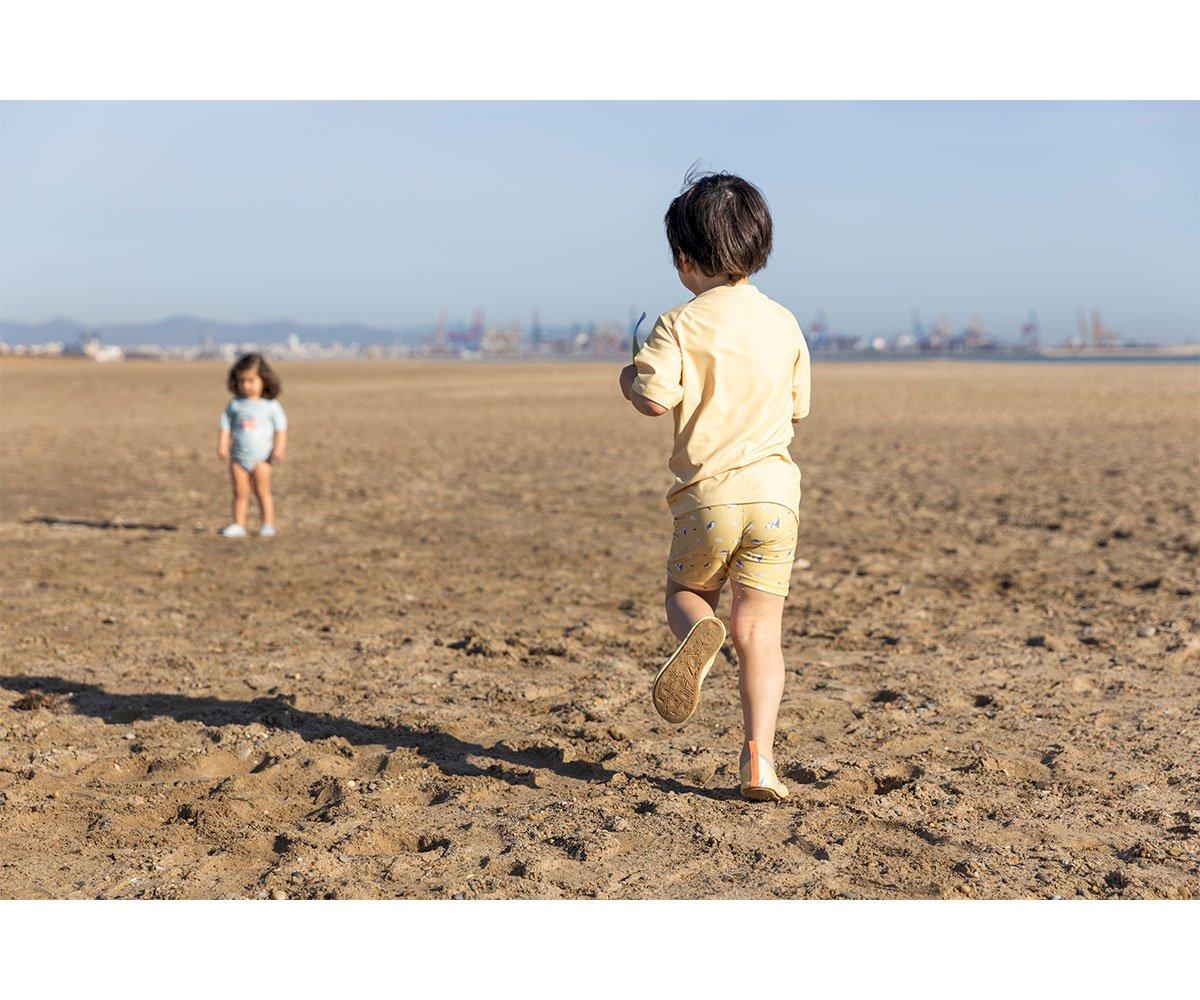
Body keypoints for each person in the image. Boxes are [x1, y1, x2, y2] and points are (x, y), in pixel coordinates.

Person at [618, 170, 811, 802]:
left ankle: (698, 630)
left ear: (682, 257)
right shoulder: (784, 323)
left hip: (708, 497)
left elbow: (653, 398)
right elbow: (799, 408)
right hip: (777, 496)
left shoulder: (678, 324)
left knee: (684, 592)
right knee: (762, 631)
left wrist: (629, 375)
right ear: (760, 245)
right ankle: (759, 763)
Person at [217, 353, 288, 538]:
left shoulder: (270, 405)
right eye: (241, 381)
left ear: (264, 379)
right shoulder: (234, 405)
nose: (246, 385)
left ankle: (267, 524)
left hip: (263, 458)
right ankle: (239, 524)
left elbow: (281, 427)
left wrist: (279, 447)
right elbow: (225, 425)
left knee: (262, 491)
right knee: (240, 492)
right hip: (238, 458)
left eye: (251, 380)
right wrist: (223, 444)